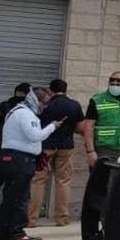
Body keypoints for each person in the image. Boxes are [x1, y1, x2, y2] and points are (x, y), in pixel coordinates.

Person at [0, 88, 61, 240]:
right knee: (20, 199)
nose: (45, 107)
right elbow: (35, 136)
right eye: (44, 103)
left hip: (15, 158)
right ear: (36, 100)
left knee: (10, 199)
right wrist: (52, 126)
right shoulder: (24, 113)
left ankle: (1, 236)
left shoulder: (20, 112)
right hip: (20, 160)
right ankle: (17, 235)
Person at [29, 78, 84, 226]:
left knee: (39, 181)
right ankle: (61, 218)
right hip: (66, 146)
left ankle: (32, 219)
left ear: (51, 90)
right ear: (65, 89)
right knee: (63, 181)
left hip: (45, 146)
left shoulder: (45, 105)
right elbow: (80, 128)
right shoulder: (74, 105)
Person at [0, 83, 30, 223]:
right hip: (18, 156)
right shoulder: (26, 110)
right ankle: (11, 218)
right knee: (17, 189)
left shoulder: (0, 107)